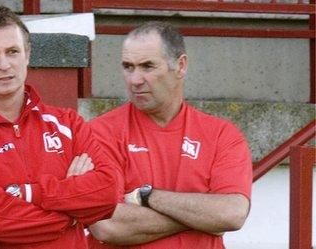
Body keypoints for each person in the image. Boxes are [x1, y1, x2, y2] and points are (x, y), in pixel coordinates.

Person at [0, 5, 122, 249]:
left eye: (12, 52)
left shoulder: (68, 124)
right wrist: (74, 212)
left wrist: (31, 194)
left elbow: (108, 192)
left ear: (27, 54)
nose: (4, 65)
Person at [87, 21, 252, 249]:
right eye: (128, 66)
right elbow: (108, 225)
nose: (135, 79)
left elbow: (231, 213)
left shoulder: (222, 135)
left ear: (181, 66)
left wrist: (147, 197)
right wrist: (200, 218)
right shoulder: (99, 132)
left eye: (147, 66)